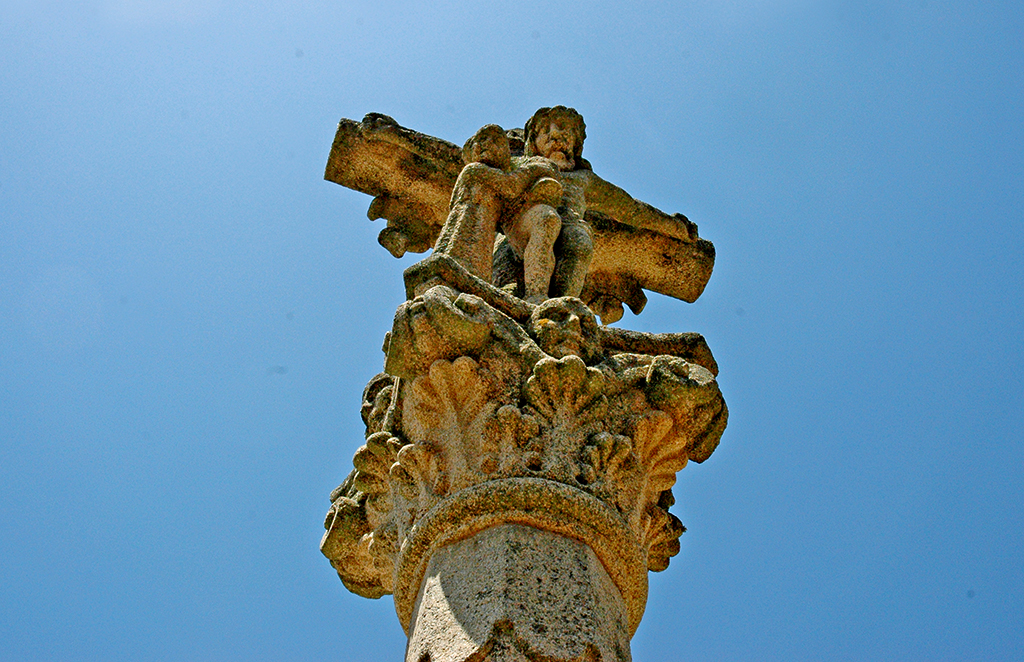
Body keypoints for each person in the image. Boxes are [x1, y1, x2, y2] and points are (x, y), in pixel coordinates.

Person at [506, 106, 698, 299]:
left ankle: (563, 305)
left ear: (576, 140)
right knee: (546, 219)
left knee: (579, 240)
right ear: (533, 143)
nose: (554, 133)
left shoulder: (584, 179)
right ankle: (535, 296)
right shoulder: (524, 167)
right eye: (544, 130)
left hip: (568, 225)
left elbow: (630, 209)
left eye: (563, 127)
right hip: (524, 230)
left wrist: (673, 225)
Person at [432, 125, 562, 304]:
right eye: (479, 144)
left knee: (547, 219)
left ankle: (535, 295)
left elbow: (513, 185)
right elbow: (508, 187)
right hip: (482, 223)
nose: (483, 147)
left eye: (494, 141)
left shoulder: (523, 164)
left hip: (508, 219)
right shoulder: (474, 171)